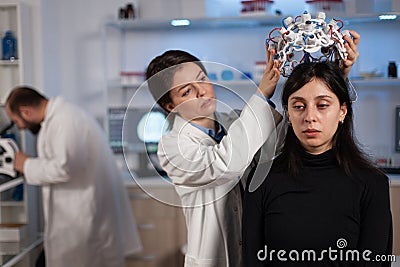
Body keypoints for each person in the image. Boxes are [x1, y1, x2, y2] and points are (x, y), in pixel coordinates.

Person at [242, 61, 393, 266]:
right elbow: (252, 260)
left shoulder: (372, 184)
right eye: (298, 106)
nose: (309, 117)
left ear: (342, 111)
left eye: (322, 105)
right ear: (288, 114)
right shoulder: (261, 181)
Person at [145, 49, 282, 266]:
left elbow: (282, 143)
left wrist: (334, 78)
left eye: (202, 79)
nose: (202, 92)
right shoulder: (172, 147)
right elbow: (226, 163)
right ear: (170, 107)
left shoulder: (235, 120)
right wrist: (261, 95)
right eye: (187, 91)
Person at [5, 86, 142, 267]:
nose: (19, 128)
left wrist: (26, 164)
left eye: (16, 121)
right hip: (78, 220)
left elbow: (65, 168)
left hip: (84, 222)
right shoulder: (60, 118)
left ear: (26, 112)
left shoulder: (65, 119)